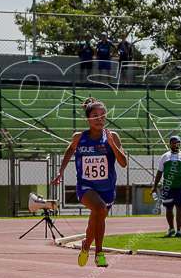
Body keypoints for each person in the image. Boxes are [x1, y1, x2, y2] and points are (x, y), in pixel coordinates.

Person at [52, 97, 128, 268]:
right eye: (95, 115)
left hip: (107, 188)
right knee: (100, 209)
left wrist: (112, 145)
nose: (99, 119)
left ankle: (86, 245)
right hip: (85, 186)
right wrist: (61, 170)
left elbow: (123, 163)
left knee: (95, 223)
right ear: (88, 118)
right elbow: (70, 148)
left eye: (102, 115)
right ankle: (99, 253)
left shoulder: (112, 136)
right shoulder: (79, 138)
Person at [151, 135, 181, 237]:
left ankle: (179, 230)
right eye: (173, 142)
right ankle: (171, 229)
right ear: (170, 144)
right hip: (168, 187)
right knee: (168, 208)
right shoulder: (165, 156)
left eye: (177, 142)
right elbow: (159, 172)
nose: (175, 144)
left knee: (180, 208)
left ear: (180, 144)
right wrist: (154, 186)